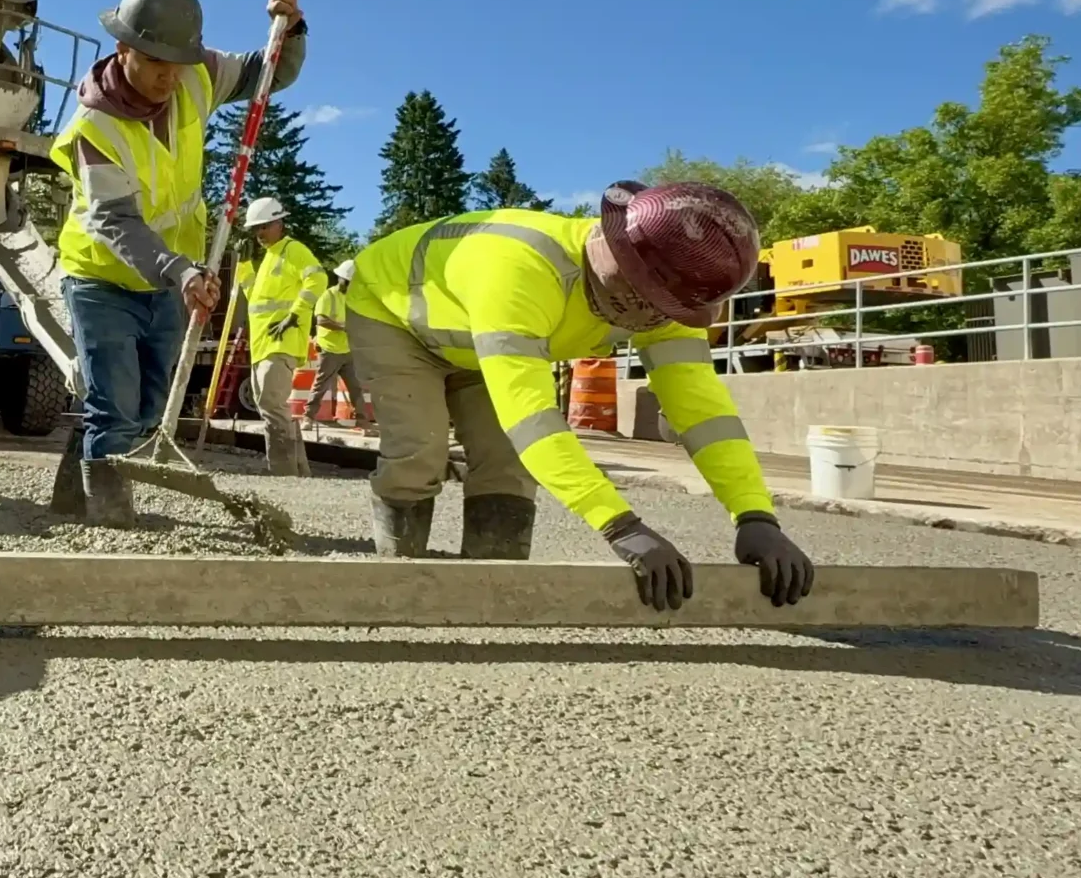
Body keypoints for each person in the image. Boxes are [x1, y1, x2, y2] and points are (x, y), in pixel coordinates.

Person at [345, 181, 816, 611]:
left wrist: (756, 515)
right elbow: (533, 420)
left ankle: (489, 594)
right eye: (654, 305)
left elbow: (703, 411)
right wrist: (621, 527)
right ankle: (397, 583)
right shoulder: (520, 270)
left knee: (505, 463)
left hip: (480, 337)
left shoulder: (665, 292)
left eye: (671, 310)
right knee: (420, 450)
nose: (658, 319)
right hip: (397, 319)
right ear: (624, 265)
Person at [47, 0, 307, 526]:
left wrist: (291, 25)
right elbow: (116, 221)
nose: (170, 76)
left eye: (178, 61)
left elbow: (269, 74)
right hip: (102, 276)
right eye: (157, 63)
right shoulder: (95, 126)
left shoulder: (197, 73)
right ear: (125, 49)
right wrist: (179, 270)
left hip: (172, 276)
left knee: (147, 410)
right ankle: (110, 524)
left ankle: (75, 490)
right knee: (116, 409)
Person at [233, 197, 328, 475]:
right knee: (272, 407)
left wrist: (295, 314)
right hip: (263, 343)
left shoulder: (293, 250)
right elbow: (253, 296)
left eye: (264, 227)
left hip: (281, 341)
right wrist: (244, 264)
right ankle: (298, 472)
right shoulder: (269, 258)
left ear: (279, 223)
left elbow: (318, 278)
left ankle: (282, 472)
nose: (259, 234)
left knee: (272, 407)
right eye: (255, 229)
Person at [304, 259, 374, 431]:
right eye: (348, 282)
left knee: (356, 387)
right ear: (341, 279)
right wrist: (344, 327)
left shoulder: (354, 299)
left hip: (348, 349)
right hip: (329, 349)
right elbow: (321, 320)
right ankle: (308, 417)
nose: (350, 285)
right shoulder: (329, 295)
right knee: (321, 385)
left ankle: (362, 421)